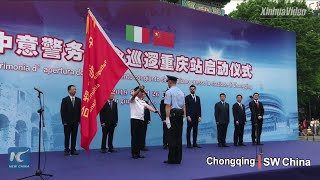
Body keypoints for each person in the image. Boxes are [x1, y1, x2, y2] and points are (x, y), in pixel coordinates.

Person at [130, 85, 158, 159]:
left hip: (141, 120)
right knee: (134, 137)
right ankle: (134, 153)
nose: (142, 94)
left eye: (142, 92)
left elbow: (148, 107)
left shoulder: (143, 101)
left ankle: (138, 153)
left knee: (140, 137)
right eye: (141, 92)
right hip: (134, 120)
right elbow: (134, 95)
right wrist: (139, 89)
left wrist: (155, 111)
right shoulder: (133, 99)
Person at [163, 75, 186, 164]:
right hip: (180, 115)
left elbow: (168, 106)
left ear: (170, 82)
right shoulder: (181, 92)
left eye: (168, 81)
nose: (167, 82)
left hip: (173, 115)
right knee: (178, 137)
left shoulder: (169, 92)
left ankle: (172, 159)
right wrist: (184, 116)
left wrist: (167, 118)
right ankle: (178, 158)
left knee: (172, 137)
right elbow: (184, 106)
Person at [60, 85, 81, 156]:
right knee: (67, 136)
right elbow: (62, 111)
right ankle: (66, 150)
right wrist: (64, 121)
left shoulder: (78, 100)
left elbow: (80, 111)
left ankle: (73, 150)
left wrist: (79, 121)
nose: (75, 90)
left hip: (75, 122)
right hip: (67, 122)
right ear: (69, 91)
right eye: (73, 89)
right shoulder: (65, 100)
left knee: (74, 136)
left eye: (75, 89)